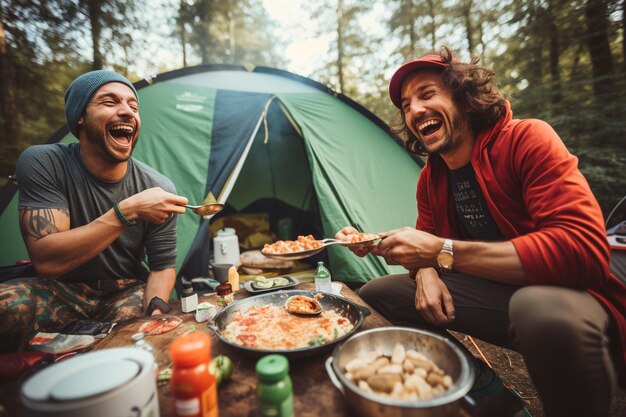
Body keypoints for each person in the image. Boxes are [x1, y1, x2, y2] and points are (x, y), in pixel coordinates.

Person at [337, 47, 626, 417]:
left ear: (464, 97)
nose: (415, 111)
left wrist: (440, 253)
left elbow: (582, 252)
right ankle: (488, 395)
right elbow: (428, 239)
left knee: (538, 308)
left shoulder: (527, 138)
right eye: (407, 105)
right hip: (500, 295)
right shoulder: (431, 178)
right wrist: (421, 266)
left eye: (427, 95)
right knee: (380, 292)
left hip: (572, 295)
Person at [0, 70, 189, 353]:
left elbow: (161, 267)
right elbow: (47, 260)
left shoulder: (157, 186)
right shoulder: (43, 162)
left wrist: (157, 309)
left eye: (133, 106)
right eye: (110, 102)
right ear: (80, 117)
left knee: (128, 336)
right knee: (5, 307)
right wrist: (127, 210)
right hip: (59, 288)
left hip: (123, 289)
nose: (126, 111)